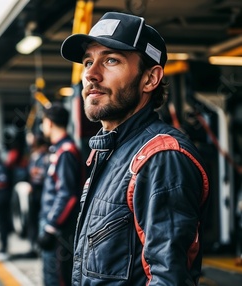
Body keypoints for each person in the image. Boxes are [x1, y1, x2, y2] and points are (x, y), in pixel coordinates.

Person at [60, 12, 210, 285]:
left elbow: (168, 278)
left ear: (150, 79)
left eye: (110, 60)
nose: (91, 74)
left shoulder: (160, 157)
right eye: (88, 62)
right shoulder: (112, 152)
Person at [38, 103, 83, 286]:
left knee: (57, 278)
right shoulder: (59, 149)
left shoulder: (66, 152)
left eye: (43, 123)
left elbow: (68, 195)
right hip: (55, 226)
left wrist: (50, 227)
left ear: (49, 123)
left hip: (59, 231)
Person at [24, 136, 50, 258]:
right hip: (34, 190)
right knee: (32, 219)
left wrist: (38, 172)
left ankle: (40, 246)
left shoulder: (47, 158)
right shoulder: (34, 157)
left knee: (42, 219)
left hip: (43, 191)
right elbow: (30, 172)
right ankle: (33, 245)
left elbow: (46, 174)